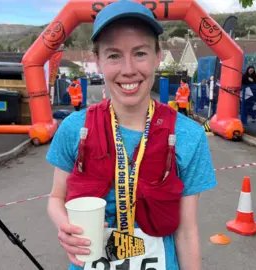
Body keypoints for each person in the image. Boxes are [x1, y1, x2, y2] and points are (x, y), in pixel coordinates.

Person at [46, 1, 217, 269]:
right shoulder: (74, 129)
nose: (128, 69)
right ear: (97, 60)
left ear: (157, 56)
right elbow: (57, 198)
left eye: (140, 53)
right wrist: (64, 225)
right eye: (114, 55)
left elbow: (186, 231)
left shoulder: (189, 136)